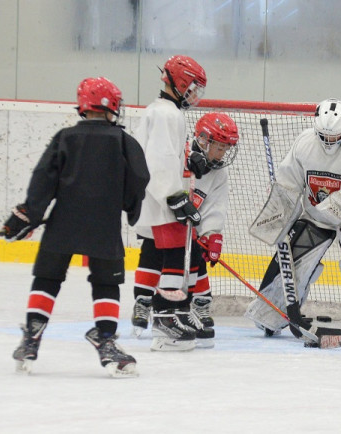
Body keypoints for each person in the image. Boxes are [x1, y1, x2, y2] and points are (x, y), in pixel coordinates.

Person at [6, 77, 149, 377]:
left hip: (63, 224)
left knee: (47, 278)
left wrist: (28, 215)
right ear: (111, 107)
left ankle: (31, 338)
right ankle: (106, 339)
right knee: (106, 283)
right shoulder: (124, 141)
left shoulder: (64, 137)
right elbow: (139, 178)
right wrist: (128, 205)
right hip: (104, 225)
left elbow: (43, 178)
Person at [244, 98, 341, 342]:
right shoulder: (305, 143)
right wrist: (280, 216)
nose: (329, 141)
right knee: (292, 259)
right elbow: (288, 182)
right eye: (324, 136)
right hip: (315, 216)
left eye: (335, 136)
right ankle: (270, 313)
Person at [131, 112, 239, 349]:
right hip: (159, 220)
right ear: (203, 140)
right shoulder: (179, 155)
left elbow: (215, 208)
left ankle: (198, 305)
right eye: (218, 147)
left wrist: (212, 235)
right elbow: (159, 180)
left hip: (188, 230)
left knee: (196, 259)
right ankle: (143, 301)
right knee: (151, 256)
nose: (222, 154)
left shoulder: (218, 174)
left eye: (225, 149)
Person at [132, 55, 208, 352]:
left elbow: (167, 154)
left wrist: (189, 158)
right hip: (161, 198)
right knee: (175, 254)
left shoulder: (163, 110)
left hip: (156, 197)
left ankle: (168, 315)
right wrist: (174, 196)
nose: (193, 94)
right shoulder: (167, 114)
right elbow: (159, 159)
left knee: (172, 254)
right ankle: (164, 323)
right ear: (179, 82)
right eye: (191, 87)